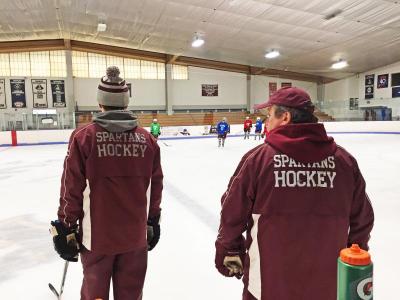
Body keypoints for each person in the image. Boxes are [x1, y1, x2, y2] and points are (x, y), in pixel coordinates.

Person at [214, 87, 374, 300]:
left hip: (267, 287)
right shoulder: (345, 162)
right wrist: (354, 255)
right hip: (328, 287)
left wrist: (230, 251)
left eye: (270, 116)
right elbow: (363, 220)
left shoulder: (258, 160)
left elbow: (232, 212)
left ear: (285, 117)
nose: (267, 122)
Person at [50, 66, 163, 300]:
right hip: (135, 238)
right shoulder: (147, 140)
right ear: (126, 102)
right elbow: (155, 188)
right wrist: (152, 221)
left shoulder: (83, 138)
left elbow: (72, 188)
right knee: (131, 295)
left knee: (95, 295)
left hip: (97, 239)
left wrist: (66, 226)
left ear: (100, 102)